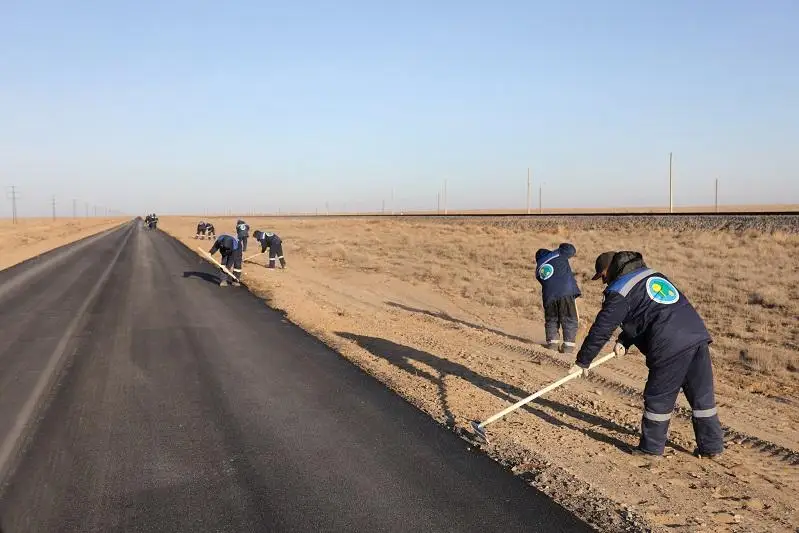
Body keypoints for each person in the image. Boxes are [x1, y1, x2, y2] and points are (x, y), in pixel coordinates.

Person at [570, 251, 724, 459]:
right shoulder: (652, 275)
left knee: (658, 398)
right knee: (702, 397)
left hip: (669, 345)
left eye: (603, 276)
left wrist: (583, 361)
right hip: (696, 336)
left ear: (610, 269)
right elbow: (650, 313)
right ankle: (712, 448)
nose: (603, 282)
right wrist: (625, 340)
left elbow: (602, 329)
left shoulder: (619, 291)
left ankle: (650, 449)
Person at [535, 243, 581, 353]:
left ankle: (552, 345)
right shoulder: (557, 254)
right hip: (565, 292)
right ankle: (568, 347)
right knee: (569, 318)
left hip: (548, 296)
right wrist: (561, 246)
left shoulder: (538, 270)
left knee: (552, 320)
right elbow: (571, 250)